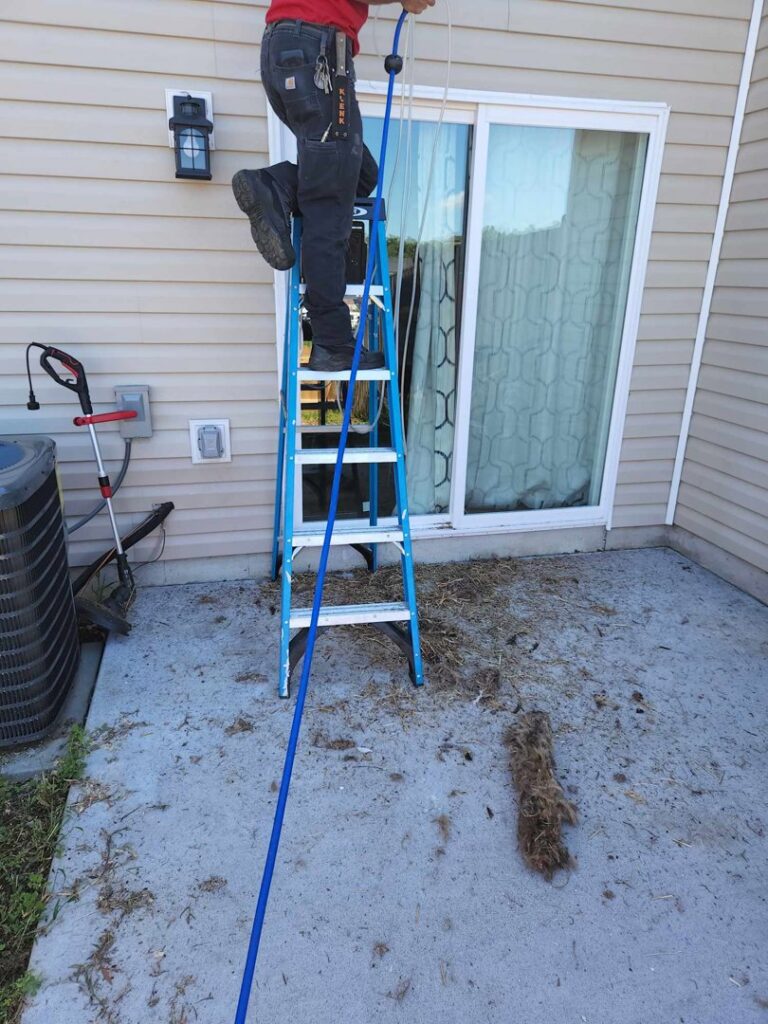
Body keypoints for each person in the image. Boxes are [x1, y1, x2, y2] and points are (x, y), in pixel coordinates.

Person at [232, 0, 435, 372]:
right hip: (317, 53)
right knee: (329, 207)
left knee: (359, 174)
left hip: (292, 53)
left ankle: (277, 186)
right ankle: (332, 342)